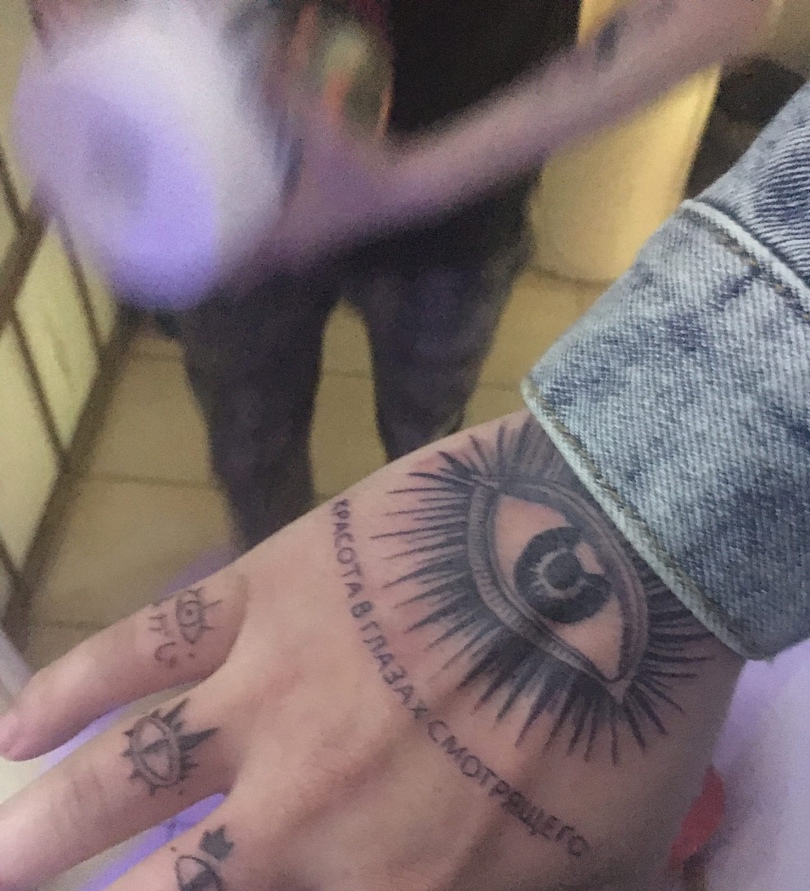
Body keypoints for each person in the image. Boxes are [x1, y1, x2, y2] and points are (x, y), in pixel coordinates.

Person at [0, 67, 808, 891]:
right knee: (260, 448)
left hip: (458, 223)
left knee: (415, 403)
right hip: (245, 206)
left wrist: (659, 507)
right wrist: (654, 510)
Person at [32, 0, 772, 547]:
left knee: (422, 444)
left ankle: (401, 582)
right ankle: (277, 584)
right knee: (252, 452)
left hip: (456, 177)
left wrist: (411, 184)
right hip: (220, 188)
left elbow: (720, 10)